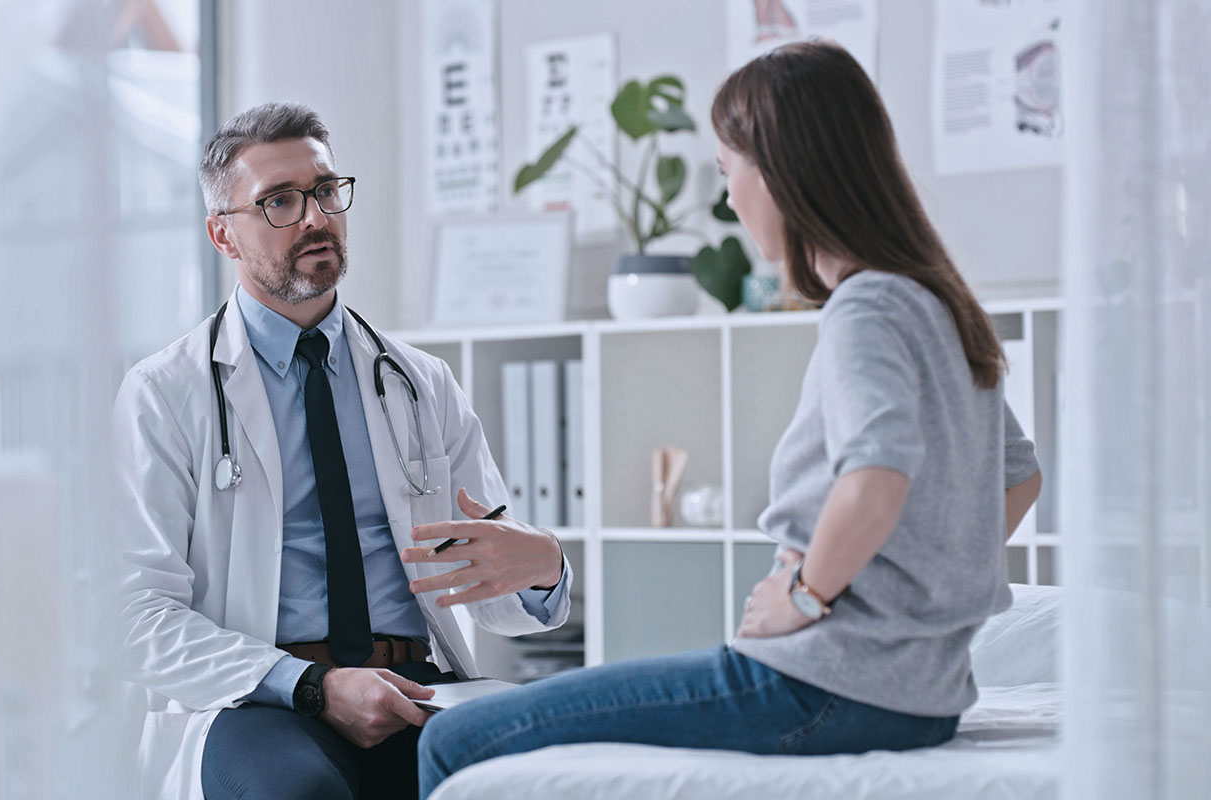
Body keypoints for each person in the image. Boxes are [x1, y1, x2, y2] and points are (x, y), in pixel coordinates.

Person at [416, 39, 1044, 799]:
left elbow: (875, 482)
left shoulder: (867, 310)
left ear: (781, 172)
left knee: (454, 738)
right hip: (922, 698)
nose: (729, 200)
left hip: (828, 686)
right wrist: (917, 598)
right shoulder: (937, 305)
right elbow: (1018, 479)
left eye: (728, 171)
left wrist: (807, 596)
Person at [112, 102, 572, 800]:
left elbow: (494, 600)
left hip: (419, 685)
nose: (315, 218)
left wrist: (544, 569)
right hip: (256, 697)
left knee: (533, 779)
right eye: (278, 202)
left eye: (326, 191)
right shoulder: (164, 393)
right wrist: (314, 687)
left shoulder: (420, 382)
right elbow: (139, 616)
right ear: (222, 235)